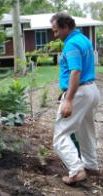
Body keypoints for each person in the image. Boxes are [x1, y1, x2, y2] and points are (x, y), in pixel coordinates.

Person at [50, 12, 100, 185]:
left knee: (60, 135)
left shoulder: (70, 44)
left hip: (78, 93)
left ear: (65, 27)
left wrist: (68, 99)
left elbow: (76, 71)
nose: (54, 34)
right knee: (85, 130)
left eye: (56, 31)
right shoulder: (84, 39)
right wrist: (65, 90)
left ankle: (76, 170)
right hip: (91, 90)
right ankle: (91, 165)